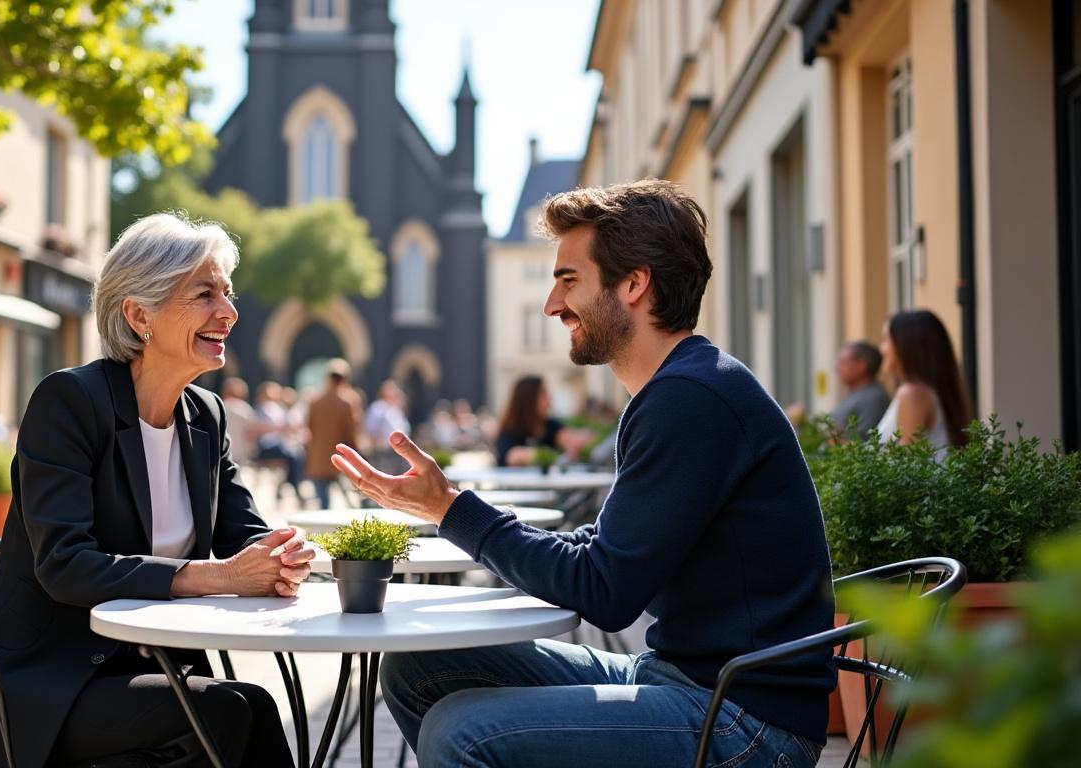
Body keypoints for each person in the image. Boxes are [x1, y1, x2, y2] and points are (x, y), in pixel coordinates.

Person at [330, 180, 834, 767]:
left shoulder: (691, 399)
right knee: (417, 666)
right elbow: (603, 550)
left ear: (634, 284)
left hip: (745, 721)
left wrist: (451, 510)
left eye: (568, 280)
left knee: (460, 733)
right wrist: (454, 513)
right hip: (683, 676)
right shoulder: (682, 388)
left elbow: (605, 590)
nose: (552, 304)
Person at [0, 213, 314, 768]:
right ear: (140, 315)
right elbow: (65, 565)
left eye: (227, 294)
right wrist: (222, 576)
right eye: (205, 293)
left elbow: (247, 536)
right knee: (230, 713)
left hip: (147, 672)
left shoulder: (206, 416)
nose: (228, 312)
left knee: (238, 714)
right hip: (34, 684)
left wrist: (292, 555)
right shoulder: (69, 403)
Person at [876, 309, 973, 450]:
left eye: (886, 340)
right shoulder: (932, 392)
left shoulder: (912, 394)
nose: (881, 348)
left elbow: (905, 462)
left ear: (906, 344)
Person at [303, 359, 363, 508]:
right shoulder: (347, 402)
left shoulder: (315, 401)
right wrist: (358, 453)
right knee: (349, 501)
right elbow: (351, 431)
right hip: (339, 458)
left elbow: (309, 427)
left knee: (323, 504)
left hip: (318, 458)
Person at [494, 376, 590, 466]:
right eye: (543, 394)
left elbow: (570, 439)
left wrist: (577, 442)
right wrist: (547, 456)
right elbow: (511, 456)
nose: (549, 399)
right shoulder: (510, 430)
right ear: (528, 399)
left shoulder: (551, 426)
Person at [253, 381, 305, 498]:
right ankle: (294, 488)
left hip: (280, 443)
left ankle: (286, 485)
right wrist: (278, 429)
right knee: (292, 457)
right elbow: (257, 429)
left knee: (298, 455)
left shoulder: (277, 408)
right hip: (266, 446)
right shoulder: (260, 408)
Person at [830, 341, 890, 440]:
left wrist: (835, 439)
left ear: (861, 366)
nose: (837, 367)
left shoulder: (874, 399)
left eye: (843, 362)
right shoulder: (856, 394)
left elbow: (864, 445)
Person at [365, 381, 411, 472]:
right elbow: (370, 429)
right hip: (382, 452)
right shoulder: (377, 408)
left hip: (398, 453)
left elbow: (404, 429)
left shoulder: (396, 410)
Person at [220, 377, 257, 466]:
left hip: (220, 455)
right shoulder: (245, 409)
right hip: (240, 457)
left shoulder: (218, 407)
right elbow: (251, 434)